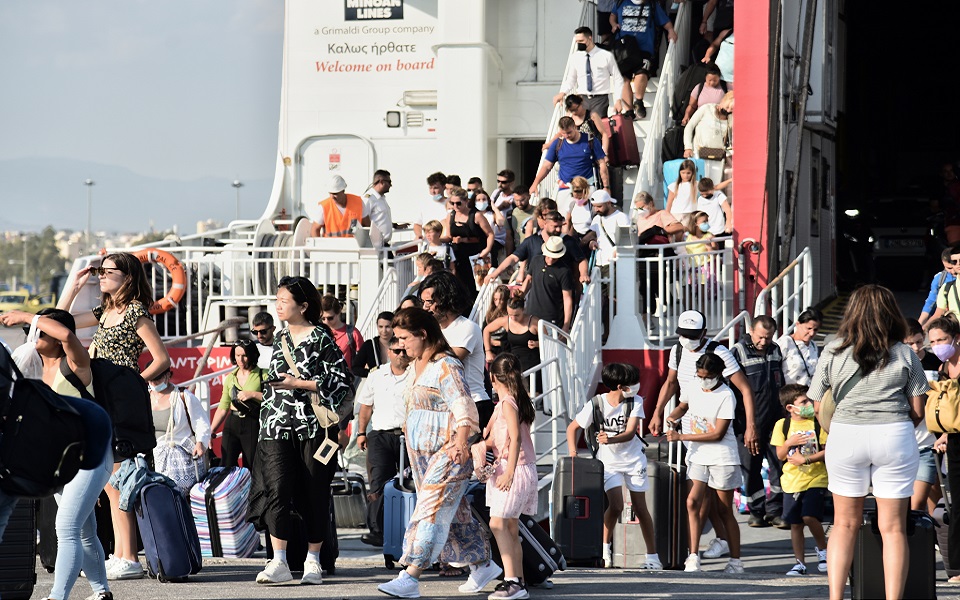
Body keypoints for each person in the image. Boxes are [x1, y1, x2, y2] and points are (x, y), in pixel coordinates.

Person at [806, 285, 927, 600]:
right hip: (894, 436)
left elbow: (817, 404)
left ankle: (835, 597)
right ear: (891, 314)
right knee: (894, 528)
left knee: (844, 524)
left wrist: (838, 427)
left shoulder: (832, 350)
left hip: (846, 435)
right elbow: (918, 410)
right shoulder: (905, 353)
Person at [57, 251, 172, 581]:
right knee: (108, 482)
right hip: (101, 401)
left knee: (119, 480)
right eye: (101, 272)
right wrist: (75, 286)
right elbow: (59, 322)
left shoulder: (135, 312)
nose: (102, 277)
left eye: (108, 272)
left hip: (120, 405)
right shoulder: (104, 312)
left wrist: (134, 384)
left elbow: (161, 358)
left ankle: (129, 556)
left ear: (128, 277)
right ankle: (121, 554)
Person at [377, 308, 496, 599]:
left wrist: (461, 443)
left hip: (449, 451)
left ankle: (410, 576)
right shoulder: (418, 364)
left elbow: (463, 405)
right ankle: (482, 564)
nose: (401, 345)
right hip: (422, 454)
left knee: (429, 508)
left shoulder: (446, 364)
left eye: (405, 338)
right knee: (453, 512)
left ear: (423, 334)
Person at [0, 308, 114, 600]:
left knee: (66, 527)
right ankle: (102, 592)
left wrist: (27, 316)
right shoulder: (35, 370)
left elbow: (66, 333)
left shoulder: (76, 363)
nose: (33, 335)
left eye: (40, 330)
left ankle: (57, 597)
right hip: (62, 460)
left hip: (92, 456)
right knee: (84, 531)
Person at [252, 275, 352, 586]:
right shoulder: (280, 337)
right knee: (277, 490)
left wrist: (299, 383)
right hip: (276, 425)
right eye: (277, 300)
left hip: (314, 428)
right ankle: (279, 560)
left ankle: (313, 560)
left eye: (284, 301)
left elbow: (341, 380)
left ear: (303, 306)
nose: (278, 306)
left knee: (314, 493)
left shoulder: (321, 336)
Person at [648, 310, 758, 562]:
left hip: (713, 430)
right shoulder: (677, 351)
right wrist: (658, 413)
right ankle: (713, 543)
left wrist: (751, 425)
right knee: (699, 497)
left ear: (704, 333)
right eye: (683, 335)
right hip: (689, 433)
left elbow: (745, 389)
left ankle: (721, 545)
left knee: (712, 499)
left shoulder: (720, 353)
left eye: (692, 335)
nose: (687, 340)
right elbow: (671, 383)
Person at [567, 363, 660, 570]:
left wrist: (610, 439)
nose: (636, 386)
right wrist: (573, 454)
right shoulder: (596, 403)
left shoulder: (635, 401)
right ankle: (604, 551)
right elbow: (572, 428)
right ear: (620, 386)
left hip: (634, 459)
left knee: (640, 508)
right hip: (608, 462)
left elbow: (630, 432)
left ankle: (653, 557)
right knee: (616, 505)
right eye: (632, 383)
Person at [664, 353, 744, 574]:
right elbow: (683, 406)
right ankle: (692, 556)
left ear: (718, 375)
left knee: (724, 510)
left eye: (707, 377)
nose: (703, 380)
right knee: (692, 502)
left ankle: (736, 561)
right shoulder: (693, 385)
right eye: (700, 376)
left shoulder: (726, 395)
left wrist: (681, 436)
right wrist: (672, 417)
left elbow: (718, 434)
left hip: (722, 458)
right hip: (697, 456)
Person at [474, 353, 539, 600]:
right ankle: (517, 580)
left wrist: (509, 471)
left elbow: (516, 437)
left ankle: (512, 581)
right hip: (520, 467)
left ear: (493, 377)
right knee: (510, 526)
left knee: (497, 523)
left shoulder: (507, 404)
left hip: (514, 468)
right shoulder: (514, 401)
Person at [418, 271, 494, 428]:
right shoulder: (434, 331)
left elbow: (448, 361)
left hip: (473, 403)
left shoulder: (467, 327)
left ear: (446, 300)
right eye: (423, 302)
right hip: (447, 407)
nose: (425, 307)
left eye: (430, 302)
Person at [732, 315, 787, 528]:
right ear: (751, 331)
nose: (764, 342)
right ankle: (756, 511)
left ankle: (775, 511)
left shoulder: (775, 350)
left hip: (775, 420)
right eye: (760, 337)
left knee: (778, 465)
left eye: (768, 337)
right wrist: (749, 426)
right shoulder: (737, 352)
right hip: (748, 423)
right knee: (751, 467)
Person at [356, 335, 411, 548]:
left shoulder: (417, 373)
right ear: (389, 352)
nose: (401, 355)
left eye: (404, 351)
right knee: (378, 482)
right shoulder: (376, 375)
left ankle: (410, 530)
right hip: (381, 435)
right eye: (397, 351)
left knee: (411, 482)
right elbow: (366, 406)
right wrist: (361, 432)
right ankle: (377, 531)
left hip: (409, 435)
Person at [770, 384, 829, 576]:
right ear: (790, 407)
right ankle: (799, 563)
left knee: (809, 516)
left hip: (816, 478)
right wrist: (789, 443)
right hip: (792, 481)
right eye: (804, 402)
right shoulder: (782, 425)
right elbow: (780, 455)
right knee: (795, 524)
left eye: (809, 400)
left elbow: (827, 450)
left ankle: (823, 550)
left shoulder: (817, 422)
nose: (809, 404)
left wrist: (807, 459)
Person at [148, 365, 212, 496]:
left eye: (157, 379)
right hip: (154, 459)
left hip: (182, 460)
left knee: (180, 496)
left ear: (167, 375)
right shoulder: (145, 397)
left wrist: (201, 443)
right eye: (151, 380)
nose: (154, 383)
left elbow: (201, 422)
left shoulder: (183, 396)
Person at [609, 0, 678, 118]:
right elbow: (612, 15)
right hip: (625, 48)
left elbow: (665, 21)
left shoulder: (652, 5)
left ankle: (639, 101)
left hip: (644, 48)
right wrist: (614, 24)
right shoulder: (621, 2)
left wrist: (671, 30)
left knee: (642, 72)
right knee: (623, 78)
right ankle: (629, 111)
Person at [929, 317, 960, 583]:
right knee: (958, 504)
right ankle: (957, 568)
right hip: (955, 442)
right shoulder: (942, 367)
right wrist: (943, 434)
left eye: (942, 339)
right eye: (933, 341)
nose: (938, 345)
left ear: (956, 338)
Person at [210, 340, 267, 469]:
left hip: (252, 422)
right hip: (232, 422)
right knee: (227, 464)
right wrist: (211, 430)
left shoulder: (263, 374)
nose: (240, 360)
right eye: (237, 355)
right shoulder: (230, 377)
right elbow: (223, 406)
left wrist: (253, 394)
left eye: (244, 355)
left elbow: (273, 399)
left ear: (252, 355)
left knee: (251, 465)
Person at [906, 319, 943, 515]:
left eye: (919, 342)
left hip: (931, 437)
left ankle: (933, 525)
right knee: (924, 491)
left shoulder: (936, 362)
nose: (915, 347)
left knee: (927, 493)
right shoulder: (898, 365)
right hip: (905, 439)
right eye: (910, 343)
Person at [530, 116, 610, 204]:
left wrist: (606, 187)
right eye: (563, 133)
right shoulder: (557, 143)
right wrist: (535, 183)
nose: (566, 136)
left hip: (587, 187)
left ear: (575, 127)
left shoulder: (590, 140)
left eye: (569, 132)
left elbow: (602, 164)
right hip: (566, 188)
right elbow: (547, 166)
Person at [553, 26, 626, 119]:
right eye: (577, 41)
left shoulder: (606, 56)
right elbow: (571, 79)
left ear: (590, 38)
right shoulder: (575, 57)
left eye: (581, 41)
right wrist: (562, 93)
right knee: (582, 126)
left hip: (600, 99)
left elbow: (617, 78)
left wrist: (618, 99)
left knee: (598, 125)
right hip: (582, 99)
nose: (579, 44)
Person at [442, 187, 495, 299]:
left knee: (476, 286)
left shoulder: (476, 215)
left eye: (458, 203)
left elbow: (490, 234)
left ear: (466, 201)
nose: (455, 206)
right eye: (452, 203)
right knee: (459, 285)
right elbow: (449, 236)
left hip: (475, 256)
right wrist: (436, 239)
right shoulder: (451, 216)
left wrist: (487, 249)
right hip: (458, 255)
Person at [518, 236, 576, 331]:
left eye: (554, 258)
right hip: (530, 316)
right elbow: (528, 279)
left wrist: (566, 325)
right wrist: (520, 295)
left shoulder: (564, 271)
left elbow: (567, 298)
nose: (551, 260)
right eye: (549, 256)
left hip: (552, 320)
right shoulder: (535, 261)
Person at [483, 295, 541, 378]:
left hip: (532, 363)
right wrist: (488, 351)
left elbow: (548, 342)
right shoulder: (506, 321)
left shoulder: (534, 322)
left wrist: (536, 343)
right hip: (514, 363)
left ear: (523, 310)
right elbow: (486, 330)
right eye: (510, 315)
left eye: (517, 315)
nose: (513, 318)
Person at [683, 93, 734, 183]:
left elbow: (732, 139)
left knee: (713, 185)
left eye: (732, 109)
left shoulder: (731, 118)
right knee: (695, 182)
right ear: (723, 101)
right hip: (698, 153)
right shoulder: (707, 109)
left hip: (717, 157)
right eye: (727, 107)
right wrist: (688, 147)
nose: (728, 110)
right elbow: (689, 127)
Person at [544, 94, 611, 157]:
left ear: (581, 103)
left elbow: (604, 134)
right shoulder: (569, 117)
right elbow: (560, 133)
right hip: (577, 152)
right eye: (571, 111)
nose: (574, 112)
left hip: (592, 151)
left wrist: (604, 153)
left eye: (576, 109)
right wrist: (549, 144)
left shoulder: (592, 116)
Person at [310, 174, 371, 238]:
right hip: (331, 244)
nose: (332, 197)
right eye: (330, 193)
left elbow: (367, 226)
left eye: (335, 193)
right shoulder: (324, 207)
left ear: (343, 191)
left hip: (352, 243)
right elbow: (314, 229)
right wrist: (318, 243)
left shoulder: (358, 202)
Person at [586, 190, 631, 273]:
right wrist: (592, 242)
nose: (596, 209)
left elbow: (627, 239)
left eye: (599, 206)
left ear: (608, 203)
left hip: (615, 262)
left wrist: (618, 251)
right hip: (599, 263)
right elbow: (593, 236)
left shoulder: (621, 217)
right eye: (594, 206)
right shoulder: (596, 219)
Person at [776, 308, 822, 386]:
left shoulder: (813, 345)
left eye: (815, 330)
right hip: (788, 392)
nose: (812, 333)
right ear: (798, 324)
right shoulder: (785, 343)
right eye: (809, 328)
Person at [320, 294, 364, 371]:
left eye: (330, 318)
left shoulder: (352, 333)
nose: (326, 322)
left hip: (346, 376)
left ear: (339, 312)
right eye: (323, 319)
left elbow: (363, 359)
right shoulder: (319, 333)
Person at [919, 247, 956, 325]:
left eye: (954, 267)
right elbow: (931, 302)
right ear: (943, 263)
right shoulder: (940, 279)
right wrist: (920, 323)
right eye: (949, 268)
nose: (953, 271)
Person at [353, 311, 395, 379]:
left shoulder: (400, 344)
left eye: (387, 327)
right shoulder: (369, 345)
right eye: (380, 327)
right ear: (377, 327)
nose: (384, 330)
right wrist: (371, 373)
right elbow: (355, 368)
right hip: (376, 382)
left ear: (394, 327)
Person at [475, 189, 511, 268]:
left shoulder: (492, 214)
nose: (481, 202)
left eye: (484, 199)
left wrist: (494, 208)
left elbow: (501, 222)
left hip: (493, 242)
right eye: (478, 200)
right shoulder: (473, 215)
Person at [414, 172, 450, 239]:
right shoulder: (424, 204)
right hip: (428, 242)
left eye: (436, 188)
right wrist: (419, 235)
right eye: (430, 188)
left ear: (444, 187)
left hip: (444, 241)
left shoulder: (451, 203)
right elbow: (417, 224)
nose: (433, 191)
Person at [666, 159, 701, 227]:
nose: (685, 175)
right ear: (680, 172)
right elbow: (669, 203)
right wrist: (667, 217)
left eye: (688, 173)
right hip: (676, 214)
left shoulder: (696, 184)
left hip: (691, 213)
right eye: (683, 173)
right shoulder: (674, 186)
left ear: (692, 173)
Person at [365, 169, 394, 249]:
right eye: (389, 182)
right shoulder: (369, 198)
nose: (391, 185)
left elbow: (379, 219)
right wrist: (374, 236)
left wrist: (394, 225)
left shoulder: (381, 198)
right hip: (375, 245)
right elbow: (364, 219)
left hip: (383, 244)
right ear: (381, 182)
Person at [562, 176, 596, 244]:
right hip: (575, 238)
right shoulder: (572, 205)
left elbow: (596, 227)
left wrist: (585, 240)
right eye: (575, 191)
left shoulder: (592, 206)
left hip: (589, 239)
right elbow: (568, 221)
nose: (577, 194)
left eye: (579, 191)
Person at [484, 285, 511, 357]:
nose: (498, 302)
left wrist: (498, 343)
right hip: (490, 350)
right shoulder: (489, 315)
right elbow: (483, 332)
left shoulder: (510, 316)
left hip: (504, 351)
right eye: (495, 299)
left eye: (501, 299)